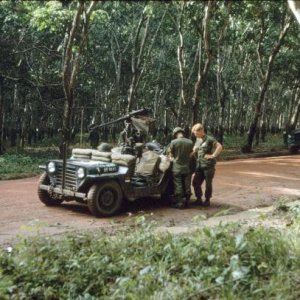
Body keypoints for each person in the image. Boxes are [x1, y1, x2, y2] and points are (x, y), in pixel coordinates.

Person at [191, 123, 223, 207]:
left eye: (196, 133)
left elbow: (219, 146)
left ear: (201, 131)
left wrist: (213, 155)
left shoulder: (209, 139)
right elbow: (194, 151)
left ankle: (207, 200)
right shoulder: (198, 140)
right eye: (194, 134)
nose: (195, 135)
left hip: (208, 166)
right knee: (195, 182)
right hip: (199, 166)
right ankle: (199, 199)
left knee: (208, 183)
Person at [169, 127, 194, 209]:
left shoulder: (173, 142)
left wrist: (172, 159)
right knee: (187, 185)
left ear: (175, 134)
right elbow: (191, 155)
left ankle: (180, 203)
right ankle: (187, 202)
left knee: (178, 185)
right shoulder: (190, 142)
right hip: (186, 168)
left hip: (177, 168)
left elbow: (171, 156)